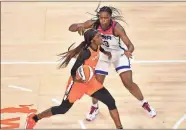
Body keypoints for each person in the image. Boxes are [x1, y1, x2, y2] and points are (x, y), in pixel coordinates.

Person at [69, 6, 156, 121]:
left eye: (106, 18)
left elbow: (130, 45)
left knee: (128, 82)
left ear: (110, 18)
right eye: (101, 18)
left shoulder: (117, 28)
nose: (103, 20)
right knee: (96, 84)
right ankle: (94, 107)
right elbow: (71, 28)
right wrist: (78, 26)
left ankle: (144, 103)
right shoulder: (94, 24)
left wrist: (129, 52)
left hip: (119, 54)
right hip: (103, 54)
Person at [25, 29, 123, 129]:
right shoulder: (85, 53)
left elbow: (100, 48)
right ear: (92, 41)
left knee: (111, 102)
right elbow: (73, 71)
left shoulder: (97, 44)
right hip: (77, 84)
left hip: (90, 82)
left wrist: (106, 52)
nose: (101, 37)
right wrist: (79, 80)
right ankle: (34, 118)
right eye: (98, 36)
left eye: (100, 35)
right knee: (63, 109)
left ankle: (119, 127)